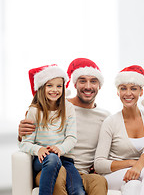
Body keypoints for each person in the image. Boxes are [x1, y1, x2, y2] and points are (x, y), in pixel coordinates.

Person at [18, 58, 110, 195]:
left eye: (93, 81)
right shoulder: (56, 104)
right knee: (59, 171)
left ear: (100, 85)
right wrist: (21, 134)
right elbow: (28, 138)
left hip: (77, 170)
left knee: (99, 181)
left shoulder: (105, 117)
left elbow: (112, 147)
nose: (88, 86)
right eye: (83, 81)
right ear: (74, 84)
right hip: (52, 166)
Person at [94, 65, 144, 195]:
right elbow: (99, 164)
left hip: (138, 174)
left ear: (141, 92)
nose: (128, 93)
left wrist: (137, 167)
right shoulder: (110, 122)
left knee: (134, 185)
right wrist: (132, 164)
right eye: (123, 88)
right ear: (118, 92)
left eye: (133, 88)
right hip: (112, 175)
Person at [19, 64, 85, 195]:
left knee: (78, 191)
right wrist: (39, 149)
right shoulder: (34, 111)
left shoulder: (68, 108)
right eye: (50, 85)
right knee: (52, 158)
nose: (54, 90)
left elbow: (71, 138)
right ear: (42, 87)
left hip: (65, 158)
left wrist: (60, 148)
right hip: (43, 160)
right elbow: (24, 143)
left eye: (59, 86)